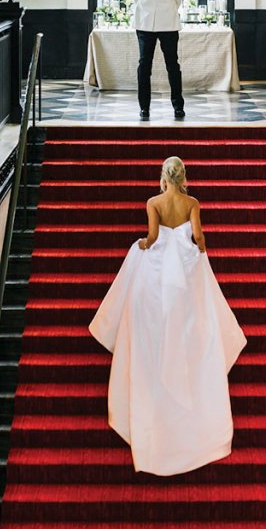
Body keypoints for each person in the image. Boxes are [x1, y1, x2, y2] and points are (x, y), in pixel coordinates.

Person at [89, 156, 247, 476]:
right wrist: (201, 252)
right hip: (185, 267)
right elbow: (199, 238)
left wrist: (141, 245)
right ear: (183, 175)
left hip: (161, 268)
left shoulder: (154, 202)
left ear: (163, 176)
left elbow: (152, 238)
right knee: (195, 316)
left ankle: (158, 364)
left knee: (152, 313)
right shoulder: (192, 202)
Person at [132, 0, 185, 121]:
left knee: (144, 66)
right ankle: (178, 107)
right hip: (168, 21)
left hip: (145, 22)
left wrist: (147, 7)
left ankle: (144, 108)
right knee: (173, 65)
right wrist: (168, 8)